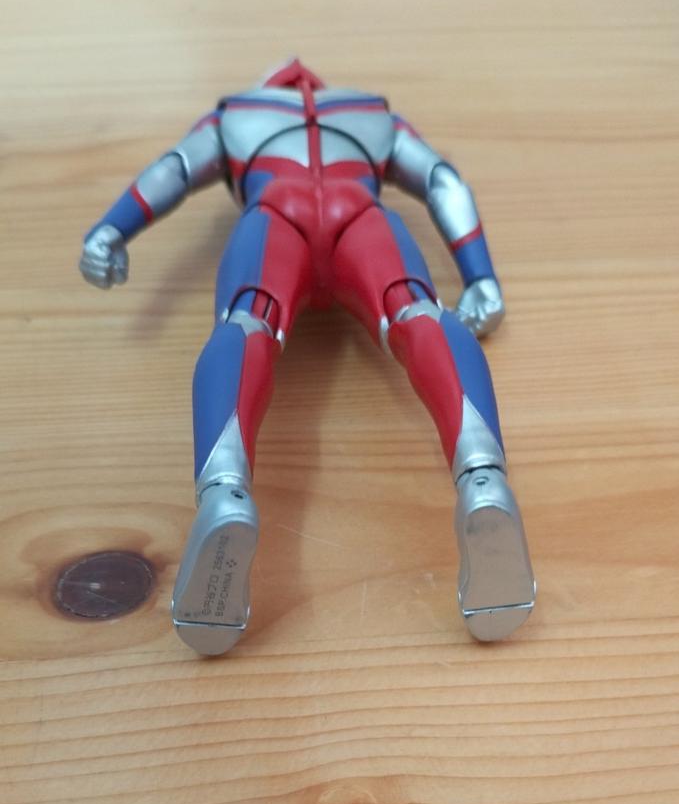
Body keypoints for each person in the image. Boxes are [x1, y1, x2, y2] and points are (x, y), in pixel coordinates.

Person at [80, 58, 535, 654]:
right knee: (418, 313)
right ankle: (483, 480)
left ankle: (224, 494)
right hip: (361, 214)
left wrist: (111, 230)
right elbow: (442, 180)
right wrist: (480, 277)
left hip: (275, 216)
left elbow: (174, 170)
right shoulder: (371, 112)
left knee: (248, 322)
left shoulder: (237, 113)